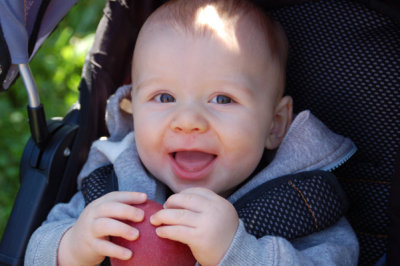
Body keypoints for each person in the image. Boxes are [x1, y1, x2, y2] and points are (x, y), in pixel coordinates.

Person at [25, 0, 359, 265]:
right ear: (132, 107)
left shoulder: (302, 206)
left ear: (275, 124)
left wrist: (239, 253)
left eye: (222, 99)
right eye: (164, 97)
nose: (188, 121)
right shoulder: (113, 185)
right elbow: (34, 251)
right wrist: (72, 246)